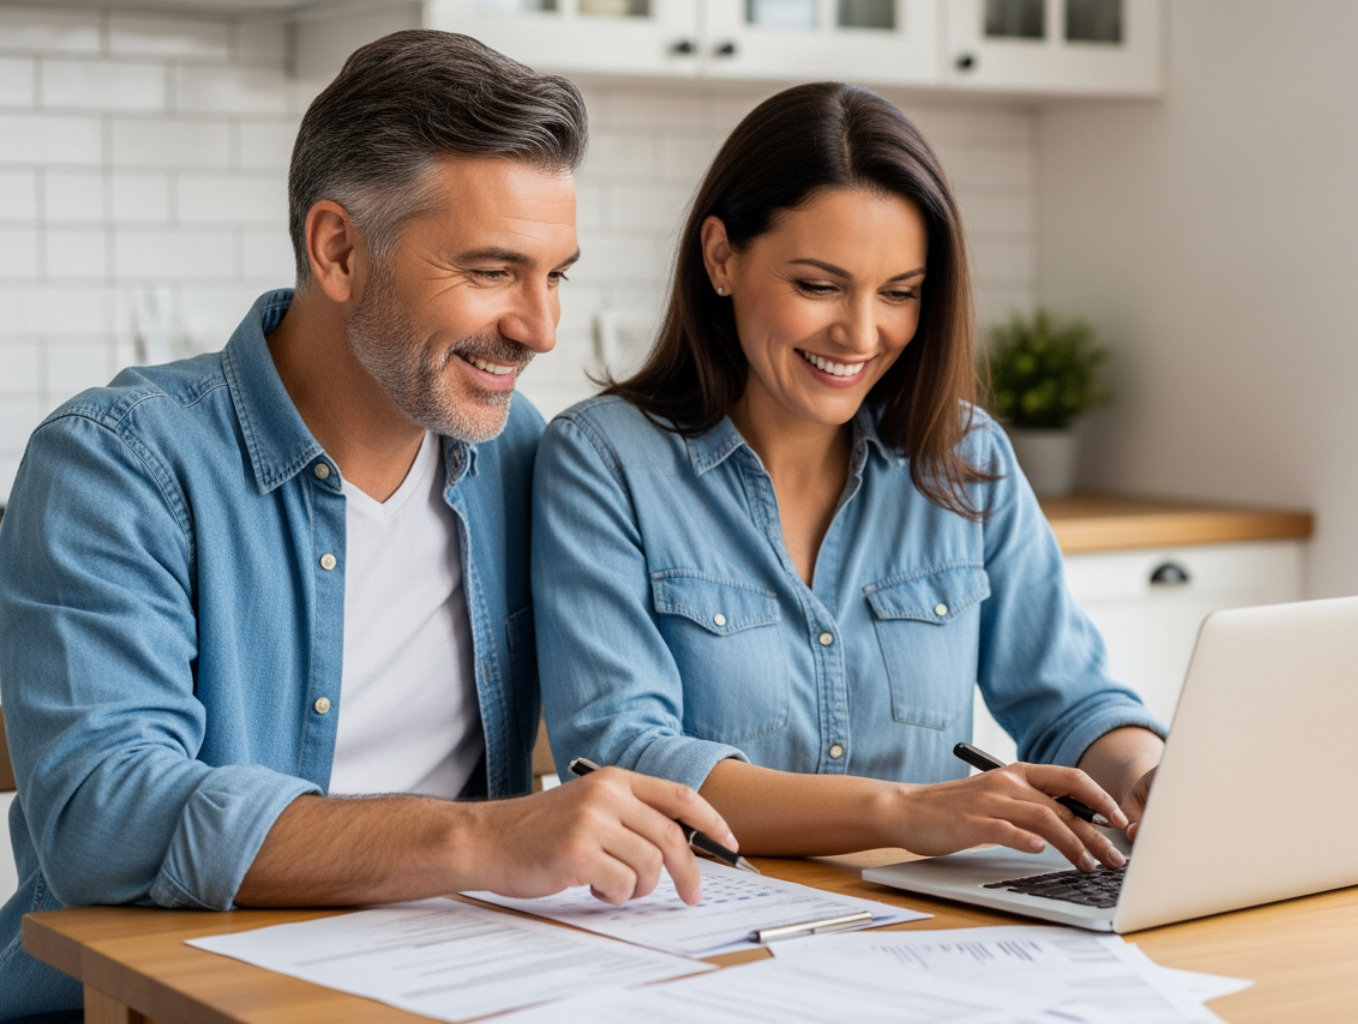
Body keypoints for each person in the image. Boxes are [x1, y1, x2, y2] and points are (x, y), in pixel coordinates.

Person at [0, 31, 732, 1021]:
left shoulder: (524, 455)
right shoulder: (119, 461)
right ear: (338, 249)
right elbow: (104, 816)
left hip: (464, 982)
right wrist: (486, 840)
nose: (541, 327)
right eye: (492, 271)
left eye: (555, 273)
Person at [533, 82, 1165, 870]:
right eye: (818, 286)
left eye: (899, 293)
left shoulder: (964, 459)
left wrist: (1145, 774)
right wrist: (902, 811)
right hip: (712, 936)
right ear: (721, 257)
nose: (862, 333)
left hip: (928, 931)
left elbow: (1072, 701)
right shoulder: (603, 462)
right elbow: (627, 760)